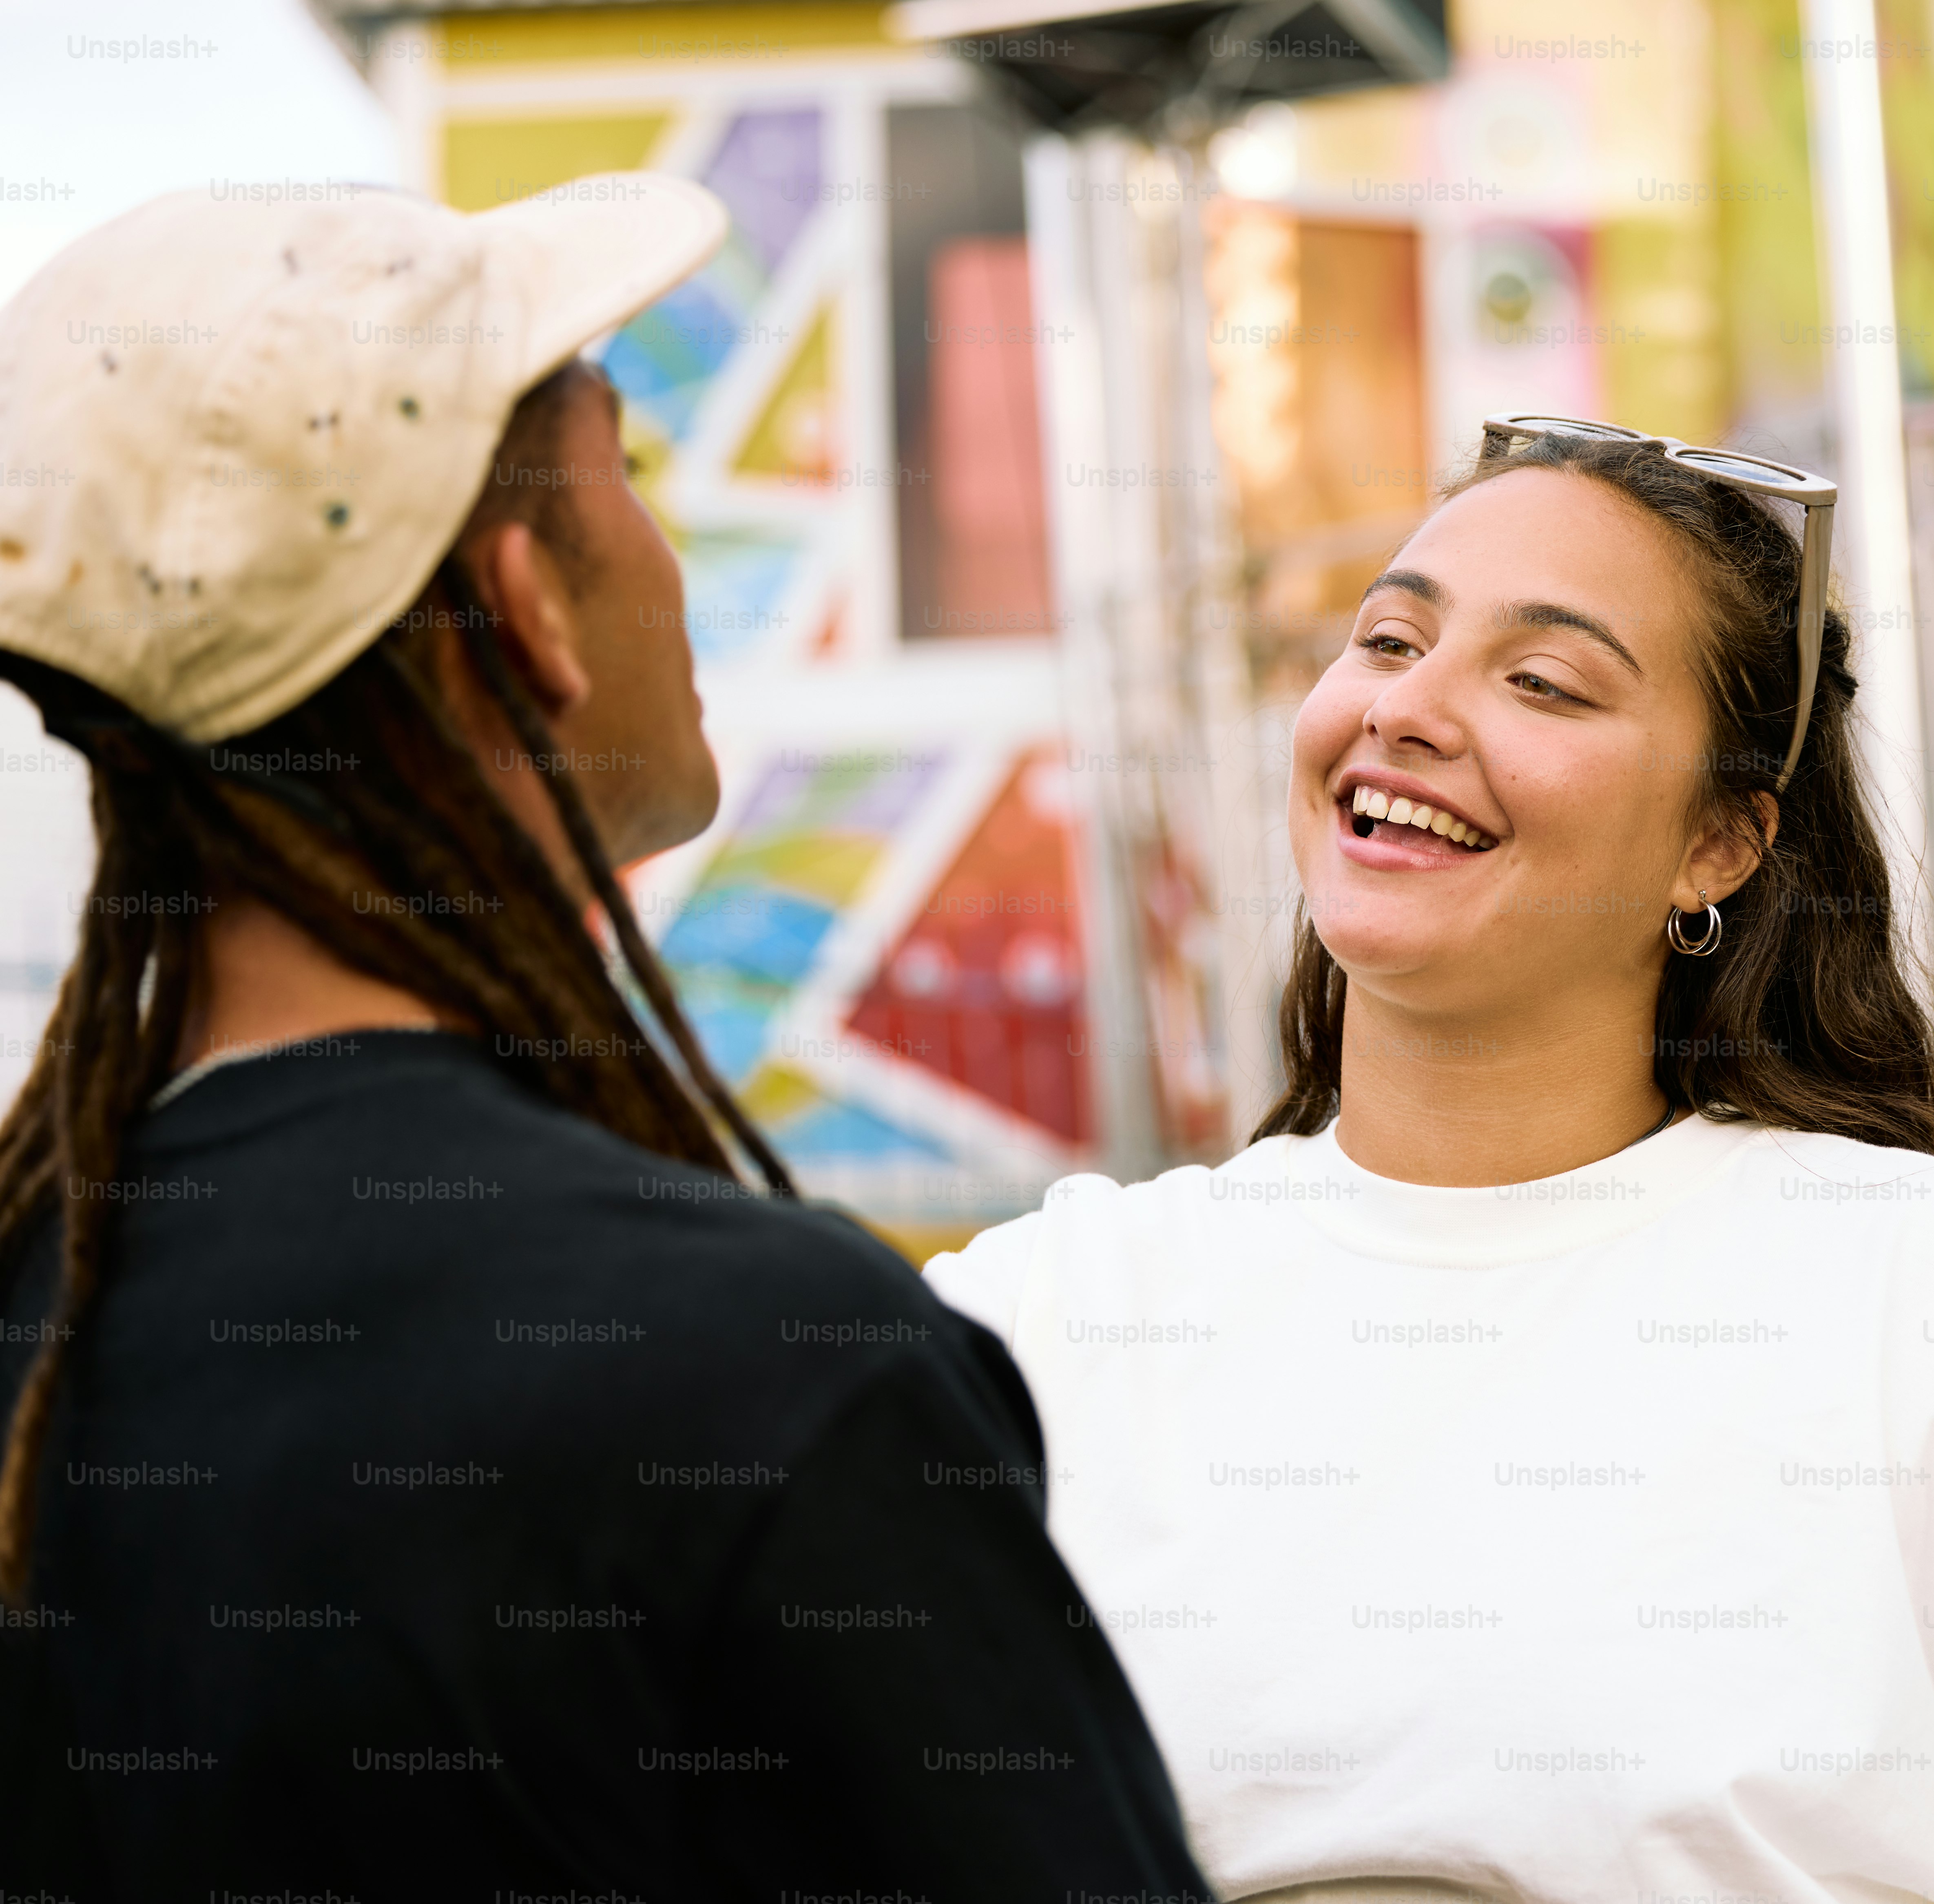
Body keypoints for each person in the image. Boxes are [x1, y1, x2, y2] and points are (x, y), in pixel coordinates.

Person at [0, 180, 1210, 1900]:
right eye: (624, 475)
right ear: (529, 610)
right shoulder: (768, 1374)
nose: (667, 553)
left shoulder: (33, 1321)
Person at [926, 418, 1934, 1901]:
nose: (1409, 709)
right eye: (1389, 640)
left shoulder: (1915, 1286)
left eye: (1542, 681)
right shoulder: (1049, 1318)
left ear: (1718, 845)